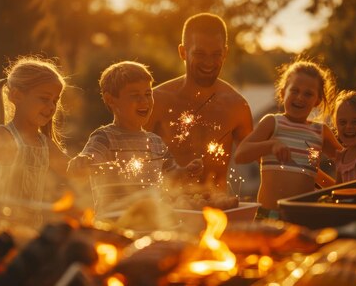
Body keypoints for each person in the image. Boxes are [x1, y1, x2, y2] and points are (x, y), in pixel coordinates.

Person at [67, 61, 203, 215]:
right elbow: (91, 157)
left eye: (147, 94)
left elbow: (171, 175)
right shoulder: (104, 138)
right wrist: (83, 161)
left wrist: (186, 172)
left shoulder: (156, 142)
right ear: (111, 100)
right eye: (135, 96)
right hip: (114, 224)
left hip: (153, 221)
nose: (144, 101)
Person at [145, 13, 253, 191]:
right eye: (200, 54)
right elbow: (130, 154)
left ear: (225, 53)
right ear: (183, 52)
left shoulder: (236, 106)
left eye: (216, 54)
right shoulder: (157, 101)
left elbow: (263, 161)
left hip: (217, 213)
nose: (209, 62)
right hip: (167, 213)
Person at [0, 56, 71, 232]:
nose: (52, 106)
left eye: (55, 100)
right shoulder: (3, 135)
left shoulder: (45, 144)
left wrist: (93, 161)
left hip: (28, 231)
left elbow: (72, 170)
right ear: (16, 96)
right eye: (44, 98)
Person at [234, 60, 342, 216]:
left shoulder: (320, 131)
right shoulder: (272, 122)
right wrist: (271, 145)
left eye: (308, 93)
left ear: (317, 100)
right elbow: (240, 155)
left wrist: (337, 187)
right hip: (269, 214)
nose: (300, 97)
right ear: (283, 93)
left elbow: (346, 161)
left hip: (304, 216)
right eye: (295, 91)